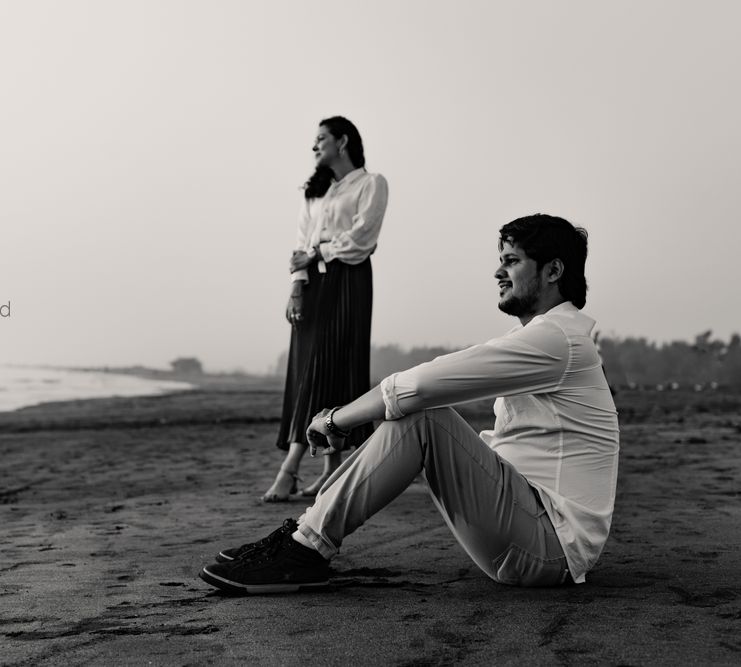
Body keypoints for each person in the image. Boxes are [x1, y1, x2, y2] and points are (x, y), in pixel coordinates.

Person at [202, 214, 620, 593]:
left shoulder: (558, 340)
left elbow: (419, 386)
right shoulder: (550, 339)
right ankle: (302, 537)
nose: (498, 271)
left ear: (553, 270)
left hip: (550, 548)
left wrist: (335, 420)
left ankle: (306, 545)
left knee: (424, 415)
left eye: (511, 260)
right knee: (422, 418)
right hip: (533, 535)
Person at [262, 116, 390, 502]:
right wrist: (297, 288)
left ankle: (290, 470)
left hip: (349, 280)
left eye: (321, 139)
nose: (314, 146)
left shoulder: (371, 184)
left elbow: (363, 238)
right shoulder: (315, 191)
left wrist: (320, 252)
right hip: (313, 284)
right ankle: (331, 472)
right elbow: (300, 244)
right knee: (307, 368)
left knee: (332, 365)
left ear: (343, 141)